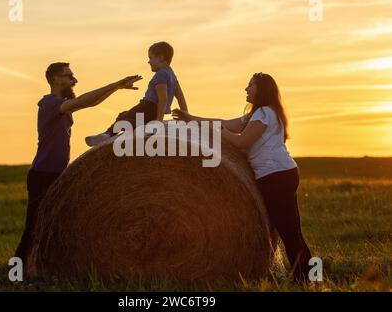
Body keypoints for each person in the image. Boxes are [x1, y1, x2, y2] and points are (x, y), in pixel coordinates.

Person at [172, 72, 312, 282]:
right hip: (282, 172)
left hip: (276, 176)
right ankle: (310, 276)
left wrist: (220, 130)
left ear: (261, 89)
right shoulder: (262, 113)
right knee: (292, 231)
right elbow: (225, 122)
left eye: (250, 85)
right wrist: (191, 119)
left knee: (289, 232)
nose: (246, 89)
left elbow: (241, 142)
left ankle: (306, 278)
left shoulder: (264, 113)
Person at [15, 62, 142, 263]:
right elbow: (84, 101)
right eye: (69, 76)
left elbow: (91, 102)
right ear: (56, 78)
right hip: (42, 174)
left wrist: (115, 88)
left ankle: (41, 266)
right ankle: (18, 269)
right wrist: (114, 85)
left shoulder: (61, 106)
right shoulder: (50, 104)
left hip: (55, 173)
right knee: (34, 225)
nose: (74, 80)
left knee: (53, 224)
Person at [85, 41, 188, 146]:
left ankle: (107, 135)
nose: (149, 61)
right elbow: (180, 97)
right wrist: (187, 117)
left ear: (161, 57)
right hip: (153, 112)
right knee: (129, 119)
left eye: (150, 58)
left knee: (123, 118)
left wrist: (158, 123)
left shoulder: (160, 74)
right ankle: (119, 135)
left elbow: (163, 99)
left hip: (147, 106)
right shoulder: (172, 75)